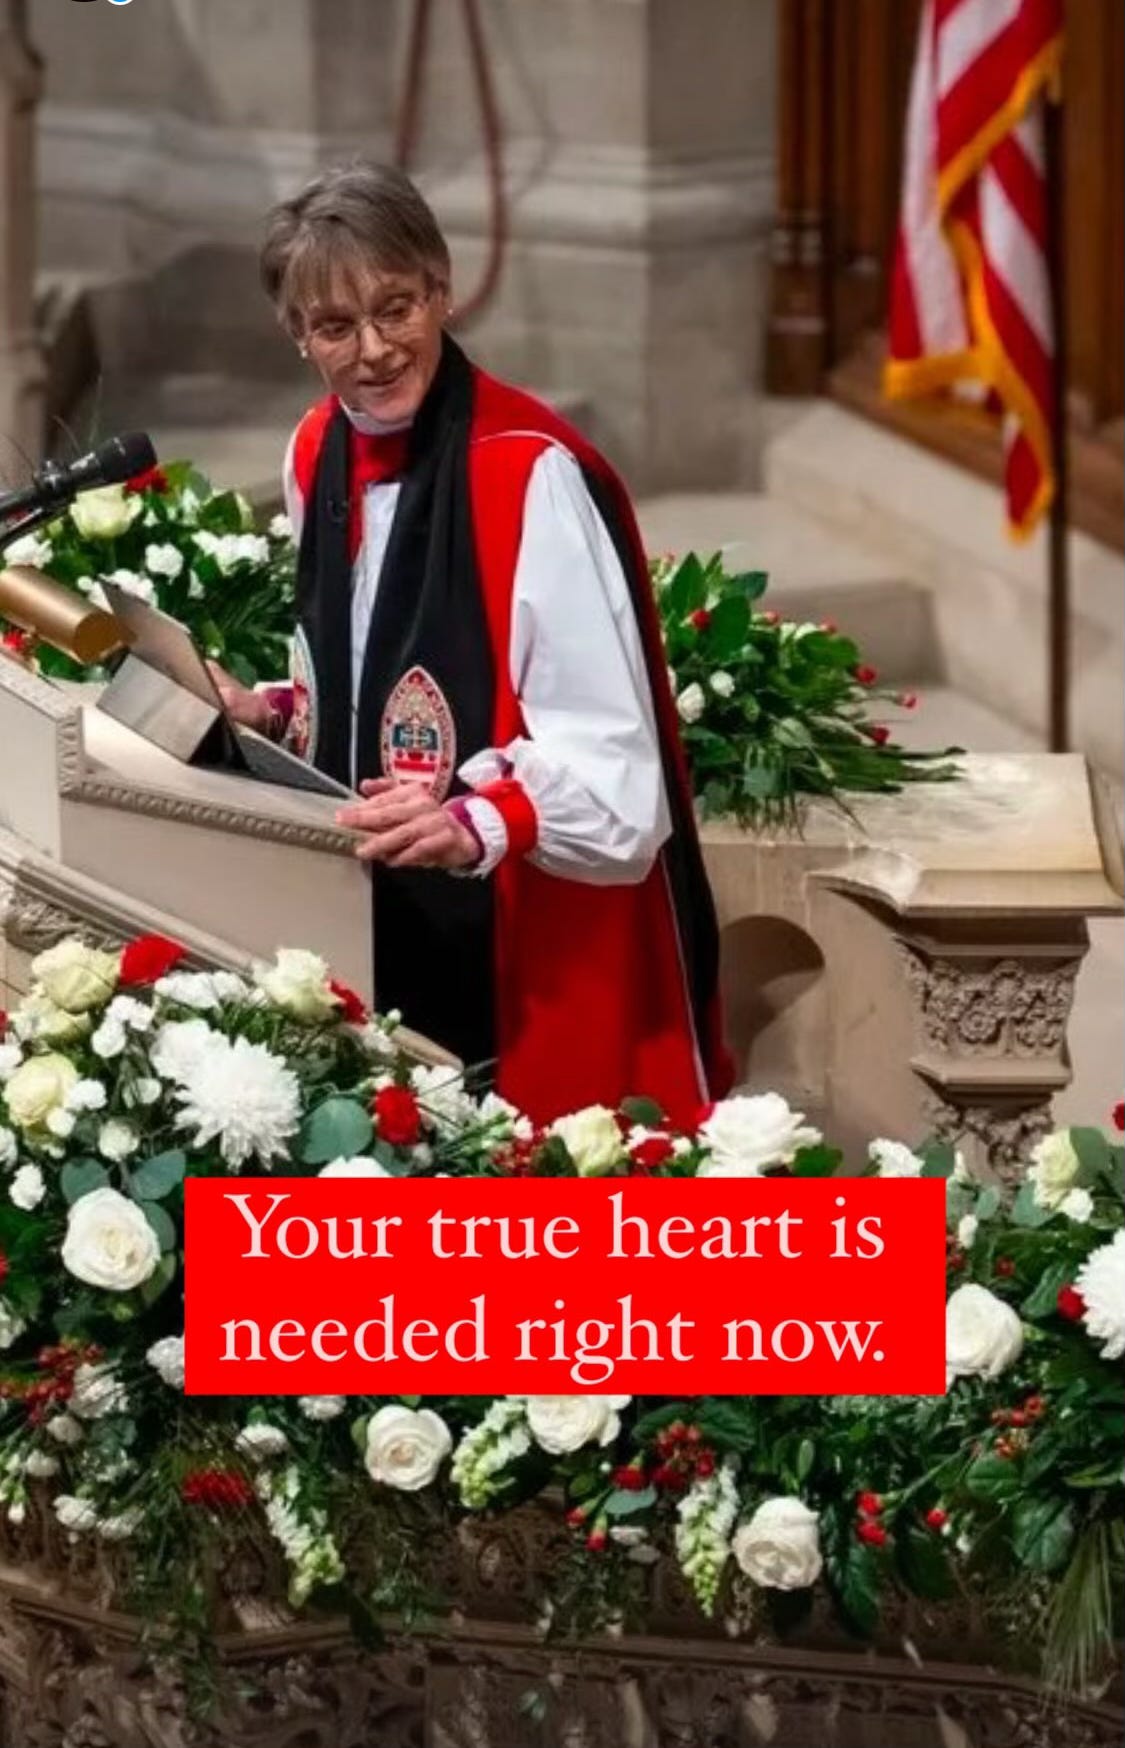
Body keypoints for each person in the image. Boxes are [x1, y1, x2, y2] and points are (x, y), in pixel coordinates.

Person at [216, 161, 730, 1126]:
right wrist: (274, 710)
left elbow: (618, 777)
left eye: (396, 308)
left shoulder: (527, 476)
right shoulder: (313, 448)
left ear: (441, 289)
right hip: (364, 914)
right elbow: (367, 672)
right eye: (335, 325)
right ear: (297, 337)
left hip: (519, 940)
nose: (373, 350)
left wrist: (473, 822)